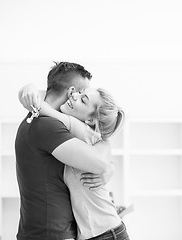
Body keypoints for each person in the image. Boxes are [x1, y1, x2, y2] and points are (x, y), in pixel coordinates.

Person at [15, 62, 114, 240]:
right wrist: (106, 168)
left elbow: (95, 145)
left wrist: (109, 169)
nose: (77, 96)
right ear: (71, 92)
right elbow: (99, 162)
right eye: (81, 94)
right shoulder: (48, 125)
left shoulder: (34, 119)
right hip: (52, 234)